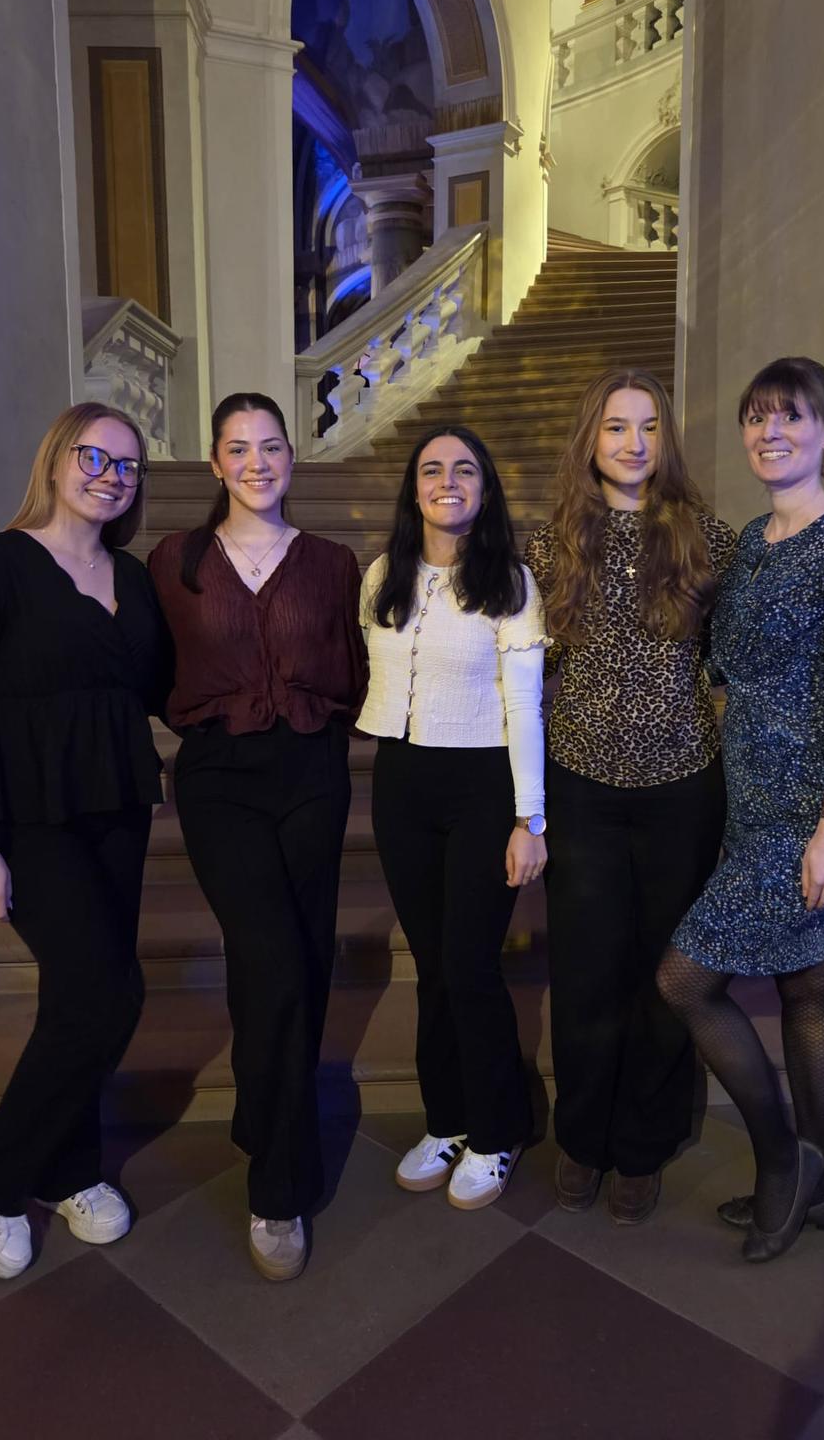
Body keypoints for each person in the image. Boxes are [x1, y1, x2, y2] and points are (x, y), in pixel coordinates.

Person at [657, 356, 824, 1263]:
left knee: (685, 981)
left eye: (791, 418)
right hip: (749, 798)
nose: (771, 433)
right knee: (806, 991)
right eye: (757, 418)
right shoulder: (754, 540)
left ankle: (780, 1165)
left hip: (810, 812)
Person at [0, 403, 170, 1280]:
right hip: (28, 821)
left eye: (129, 467)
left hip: (117, 809)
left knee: (78, 995)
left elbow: (162, 689)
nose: (112, 475)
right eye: (96, 456)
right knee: (109, 995)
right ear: (56, 460)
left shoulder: (131, 579)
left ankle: (70, 1168)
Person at [148, 393, 366, 1283]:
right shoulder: (175, 561)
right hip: (219, 778)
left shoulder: (333, 563)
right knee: (271, 952)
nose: (256, 462)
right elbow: (144, 664)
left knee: (300, 957)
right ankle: (280, 1185)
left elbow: (356, 668)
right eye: (238, 449)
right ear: (214, 464)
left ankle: (259, 1106)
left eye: (271, 446)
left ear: (291, 458)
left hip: (312, 772)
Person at [526, 369, 735, 1224]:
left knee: (661, 971)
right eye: (617, 427)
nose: (634, 443)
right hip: (581, 785)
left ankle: (644, 1144)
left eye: (649, 427)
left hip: (683, 784)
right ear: (591, 438)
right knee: (584, 968)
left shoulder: (705, 539)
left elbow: (730, 664)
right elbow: (522, 675)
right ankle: (582, 1136)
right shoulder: (550, 545)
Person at [358, 427, 549, 1210]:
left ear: (485, 488)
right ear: (413, 489)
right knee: (432, 964)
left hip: (483, 782)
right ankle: (446, 1120)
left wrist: (528, 817)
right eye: (432, 469)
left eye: (464, 469)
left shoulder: (510, 580)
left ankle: (497, 1131)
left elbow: (523, 703)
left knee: (470, 965)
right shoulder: (381, 575)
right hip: (401, 779)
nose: (447, 481)